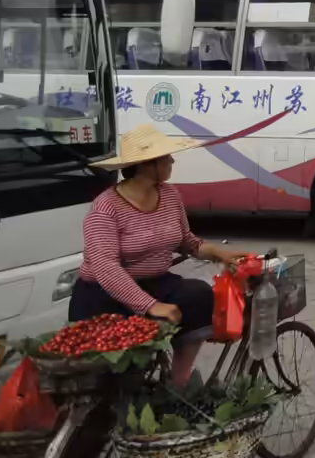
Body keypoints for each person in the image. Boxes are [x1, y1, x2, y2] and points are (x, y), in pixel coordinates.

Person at [72, 125, 248, 386]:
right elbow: (105, 267)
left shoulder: (169, 195)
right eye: (167, 158)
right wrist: (150, 306)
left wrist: (219, 253)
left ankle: (178, 383)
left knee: (199, 295)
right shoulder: (106, 207)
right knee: (116, 379)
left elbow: (187, 242)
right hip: (105, 293)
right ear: (147, 165)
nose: (172, 161)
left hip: (155, 283)